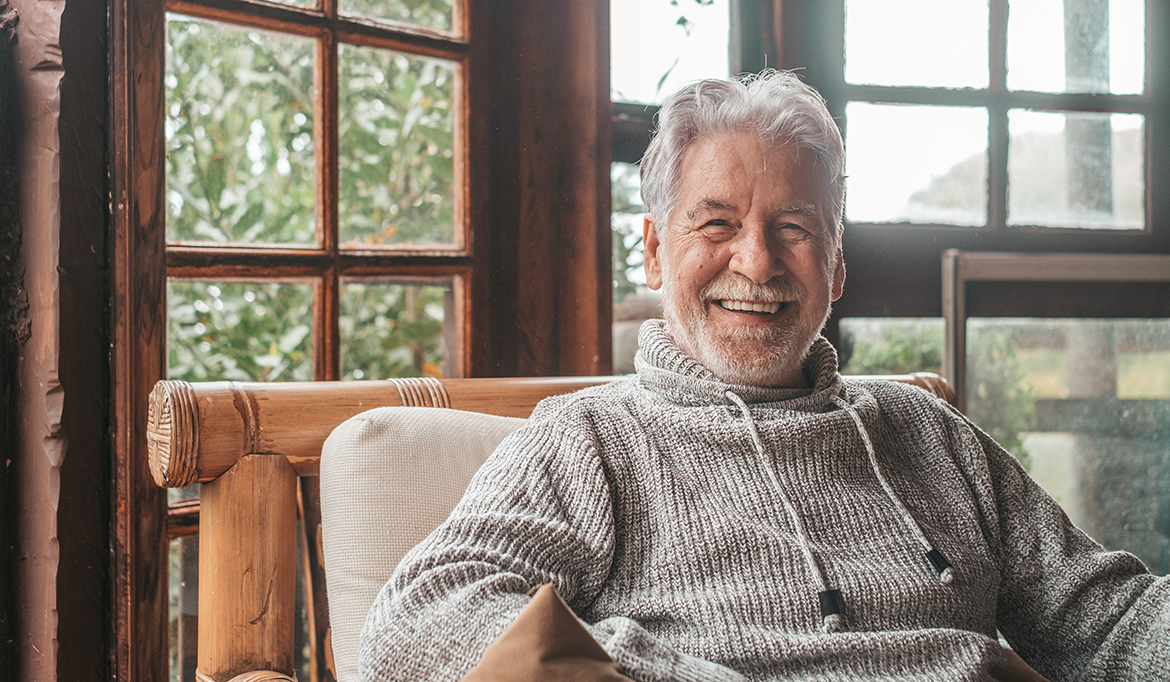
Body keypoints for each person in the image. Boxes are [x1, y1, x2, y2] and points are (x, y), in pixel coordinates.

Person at [358, 70, 1169, 681]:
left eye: (795, 228)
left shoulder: (928, 434)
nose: (757, 262)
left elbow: (1110, 621)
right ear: (651, 250)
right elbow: (417, 618)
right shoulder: (589, 442)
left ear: (838, 263)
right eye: (717, 224)